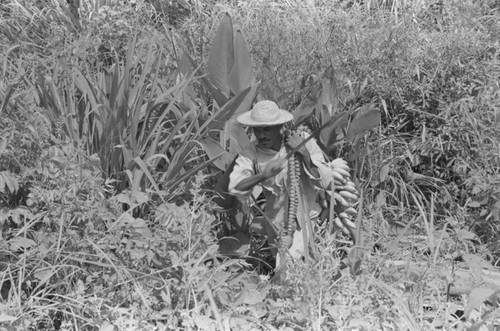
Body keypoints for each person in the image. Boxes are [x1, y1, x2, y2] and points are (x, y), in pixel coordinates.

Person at [228, 100, 330, 264]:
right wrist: (262, 175)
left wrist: (304, 155)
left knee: (292, 269)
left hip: (308, 220)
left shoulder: (302, 141)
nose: (261, 136)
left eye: (267, 129)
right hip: (277, 227)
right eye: (257, 130)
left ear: (280, 126)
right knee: (287, 271)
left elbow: (326, 180)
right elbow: (236, 186)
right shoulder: (250, 153)